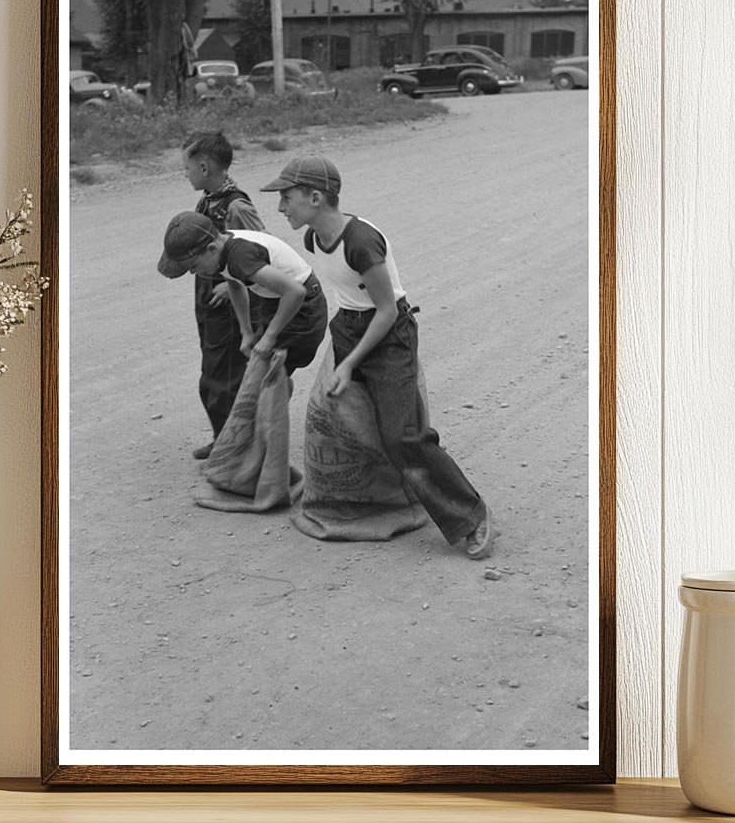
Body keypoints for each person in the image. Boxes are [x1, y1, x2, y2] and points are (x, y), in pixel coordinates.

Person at [262, 154, 495, 559]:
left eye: (287, 197)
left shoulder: (361, 241)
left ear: (315, 198)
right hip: (349, 328)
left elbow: (386, 311)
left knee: (403, 436)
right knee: (331, 416)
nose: (281, 207)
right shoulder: (313, 237)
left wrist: (349, 364)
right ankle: (367, 501)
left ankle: (469, 515)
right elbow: (347, 297)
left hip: (388, 337)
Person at [158, 132, 264, 460]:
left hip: (231, 304)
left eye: (187, 167)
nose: (185, 173)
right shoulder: (208, 198)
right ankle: (225, 438)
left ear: (204, 167)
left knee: (225, 378)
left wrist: (231, 285)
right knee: (213, 374)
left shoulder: (236, 206)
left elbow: (260, 252)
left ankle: (235, 449)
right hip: (209, 301)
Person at [160, 212, 327, 375]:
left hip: (303, 308)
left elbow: (295, 292)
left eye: (194, 266)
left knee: (261, 380)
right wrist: (246, 331)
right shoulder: (222, 247)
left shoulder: (240, 258)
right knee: (263, 376)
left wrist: (269, 336)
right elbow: (235, 285)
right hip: (276, 300)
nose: (192, 272)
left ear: (211, 249)